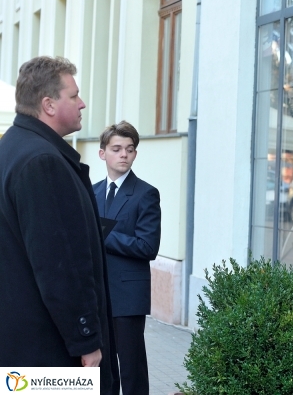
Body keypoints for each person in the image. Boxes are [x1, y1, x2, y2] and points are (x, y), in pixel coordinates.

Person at [0, 56, 116, 393]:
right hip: (48, 353)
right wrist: (87, 341)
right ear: (49, 104)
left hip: (23, 349)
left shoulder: (13, 147)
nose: (82, 103)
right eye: (74, 95)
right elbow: (59, 265)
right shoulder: (42, 162)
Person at [94, 121, 162, 395]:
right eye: (117, 149)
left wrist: (102, 235)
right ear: (103, 154)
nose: (124, 154)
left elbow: (148, 246)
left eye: (130, 149)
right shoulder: (92, 191)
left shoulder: (146, 194)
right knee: (102, 369)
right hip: (97, 294)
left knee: (131, 370)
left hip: (128, 297)